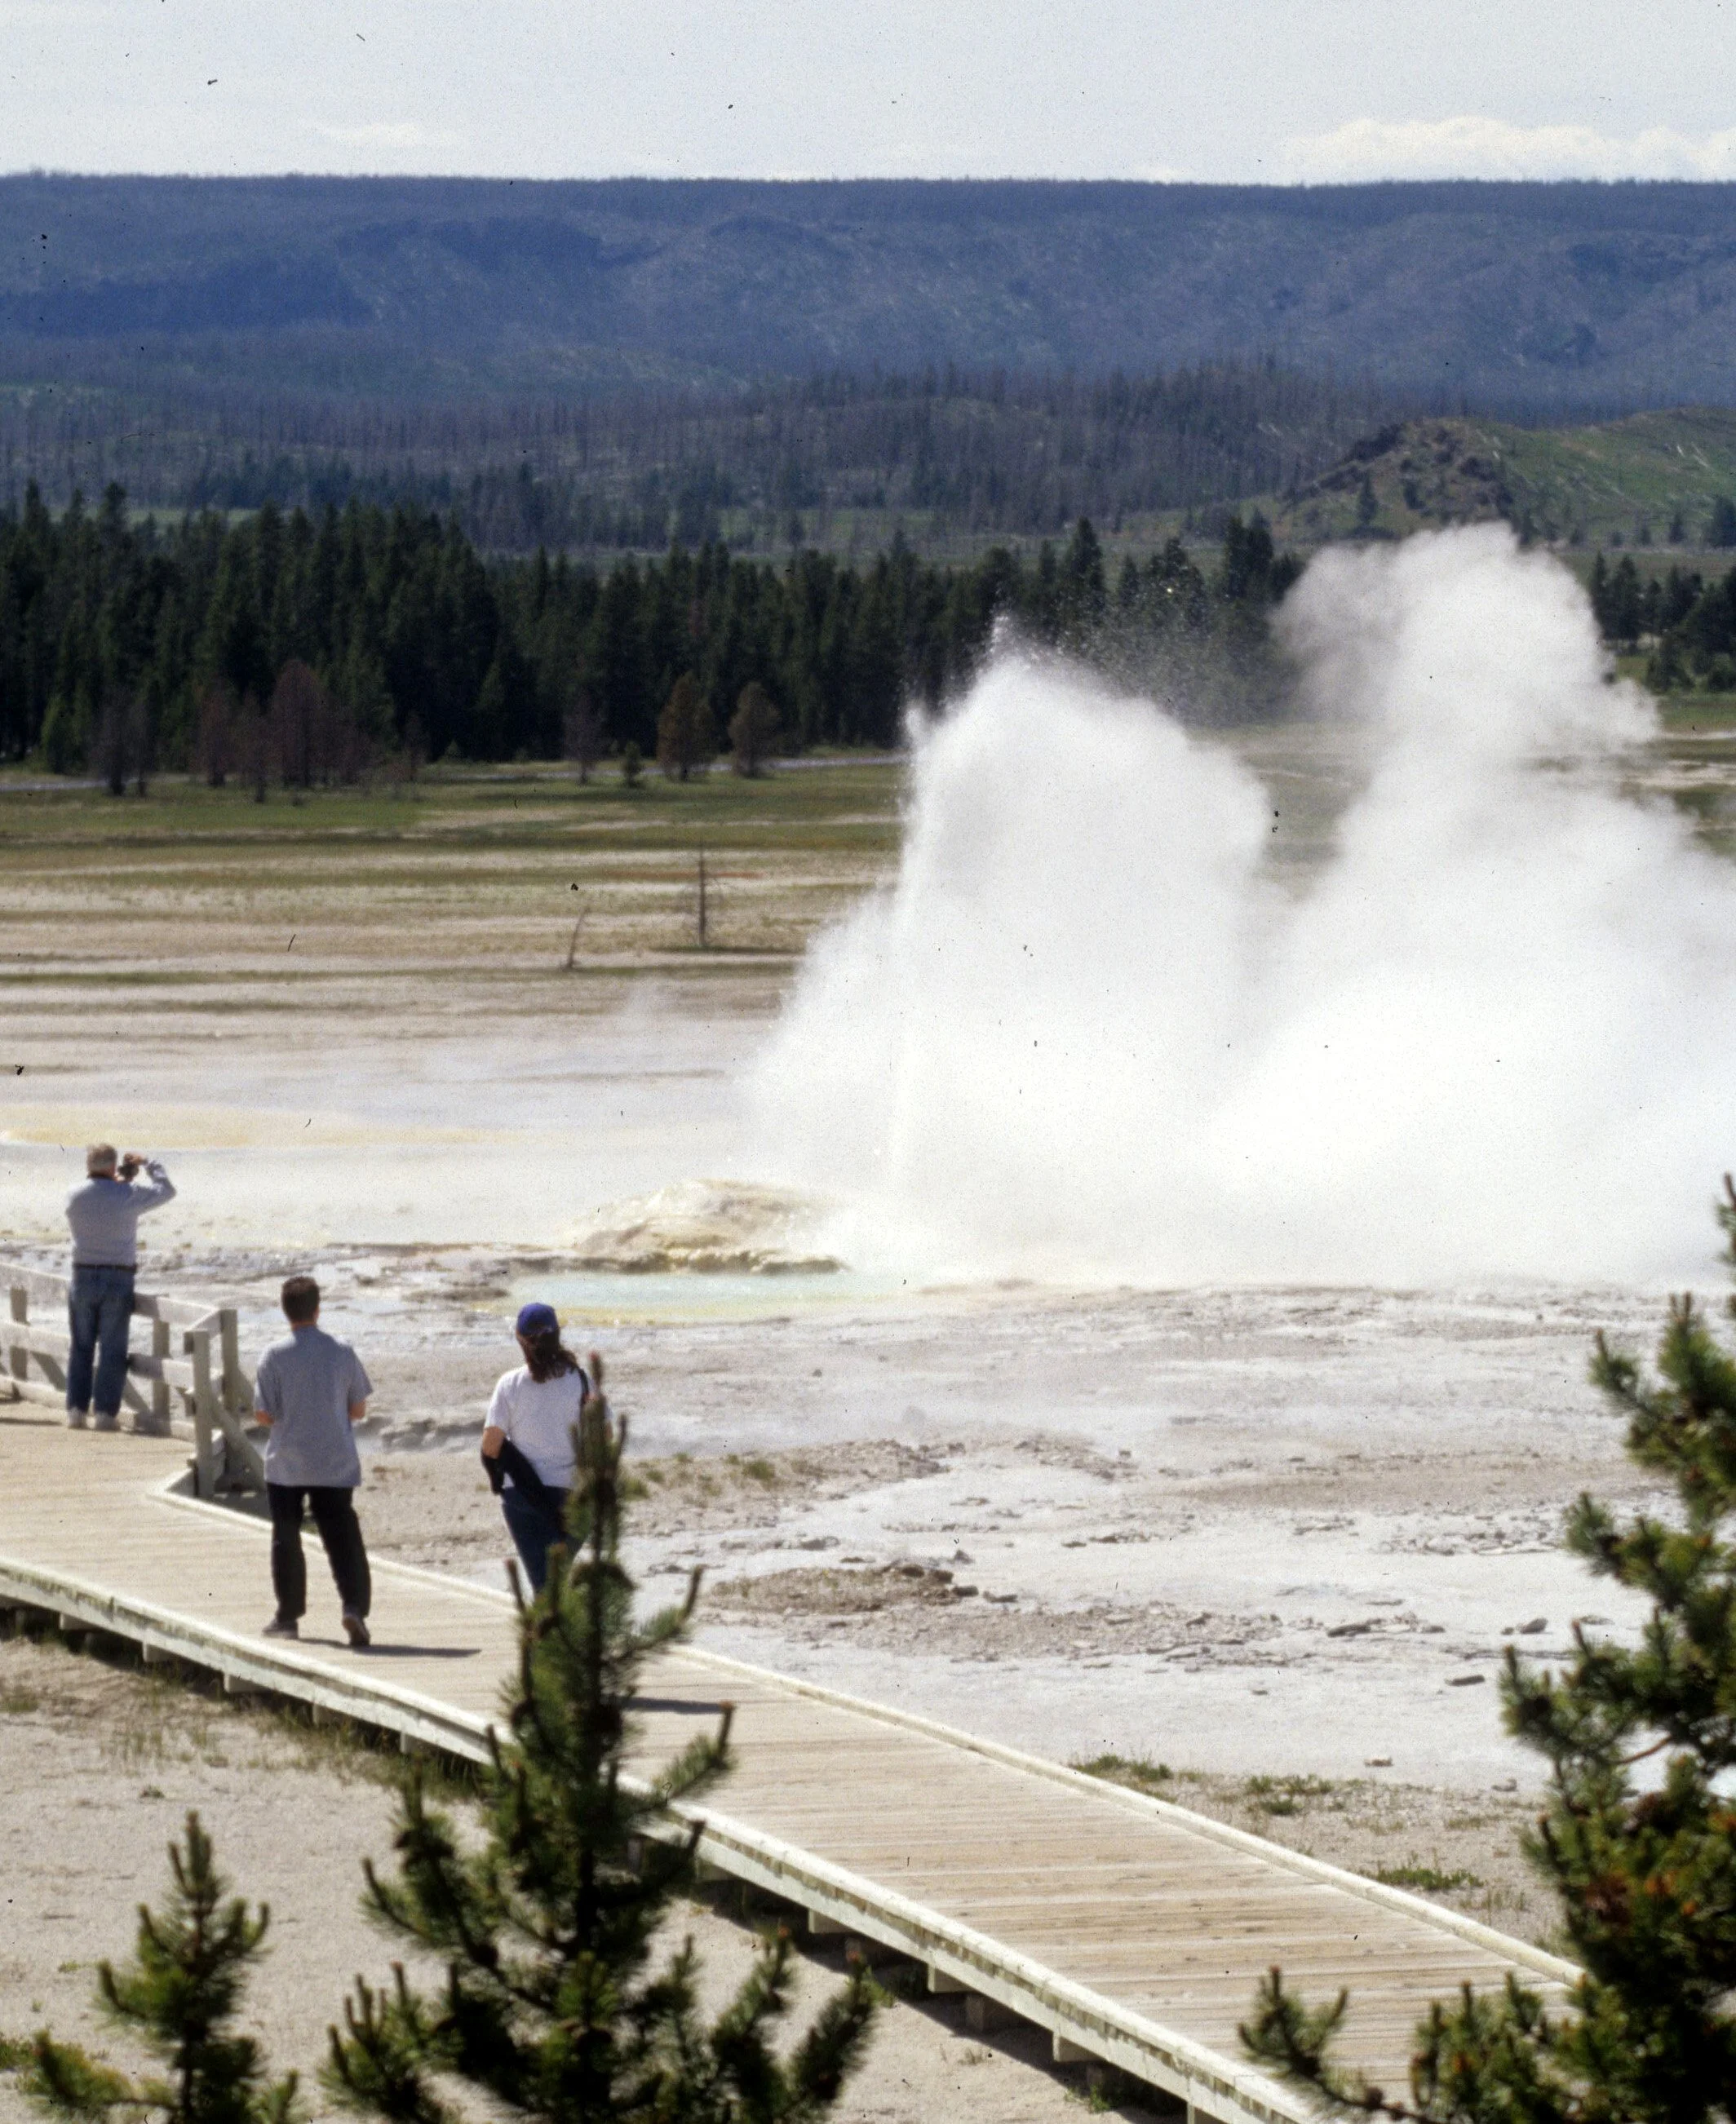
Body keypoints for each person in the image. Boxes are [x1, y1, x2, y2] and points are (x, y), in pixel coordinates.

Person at [252, 1273, 373, 1646]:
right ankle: (353, 1606)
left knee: (286, 1537)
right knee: (342, 1536)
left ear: (285, 1311)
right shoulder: (342, 1351)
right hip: (334, 1459)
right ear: (318, 1309)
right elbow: (359, 1409)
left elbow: (264, 1414)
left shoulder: (273, 1355)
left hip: (288, 1461)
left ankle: (288, 1616)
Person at [64, 1143, 177, 1434]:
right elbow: (167, 1191)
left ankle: (76, 1411)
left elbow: (100, 1202)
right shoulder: (128, 1195)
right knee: (113, 1350)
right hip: (118, 1278)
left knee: (81, 1347)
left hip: (83, 1276)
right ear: (113, 1166)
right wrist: (149, 1162)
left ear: (89, 1166)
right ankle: (104, 1414)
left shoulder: (73, 1196)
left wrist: (118, 1183)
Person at [481, 1302, 591, 1593]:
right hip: (571, 1497)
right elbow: (603, 1436)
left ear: (521, 1340)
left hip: (522, 1498)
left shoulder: (510, 1385)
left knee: (544, 1586)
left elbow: (491, 1446)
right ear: (558, 1336)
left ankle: (556, 1633)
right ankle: (569, 1633)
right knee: (557, 1581)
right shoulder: (581, 1381)